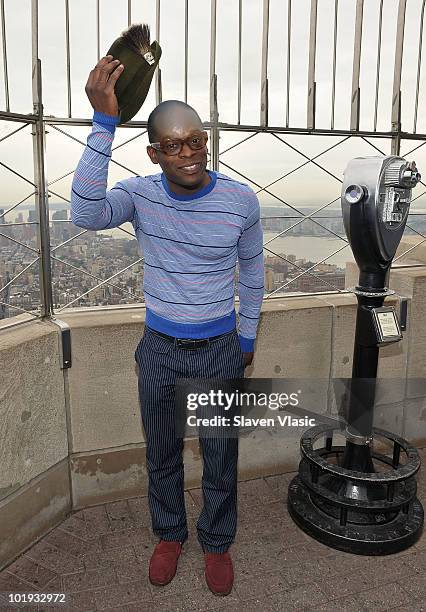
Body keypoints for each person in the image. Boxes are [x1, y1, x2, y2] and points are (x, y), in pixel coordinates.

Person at [71, 55, 264, 596]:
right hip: (159, 348)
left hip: (219, 348)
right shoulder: (140, 196)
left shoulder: (239, 201)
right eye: (174, 145)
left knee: (222, 454)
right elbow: (84, 214)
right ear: (154, 152)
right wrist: (103, 124)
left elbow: (252, 271)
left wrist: (247, 337)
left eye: (197, 140)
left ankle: (218, 541)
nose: (189, 153)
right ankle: (170, 535)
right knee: (161, 451)